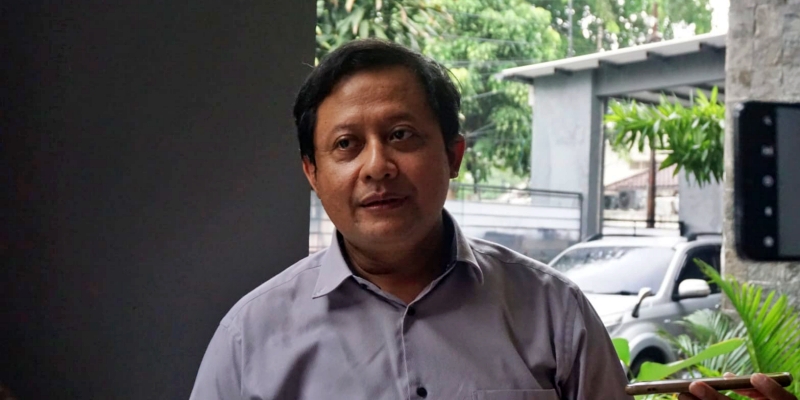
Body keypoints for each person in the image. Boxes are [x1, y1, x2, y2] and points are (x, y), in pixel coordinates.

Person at [188, 39, 791, 400]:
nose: (377, 166)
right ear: (313, 173)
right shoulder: (251, 337)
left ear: (453, 155)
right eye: (346, 145)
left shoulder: (555, 313)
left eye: (402, 135)